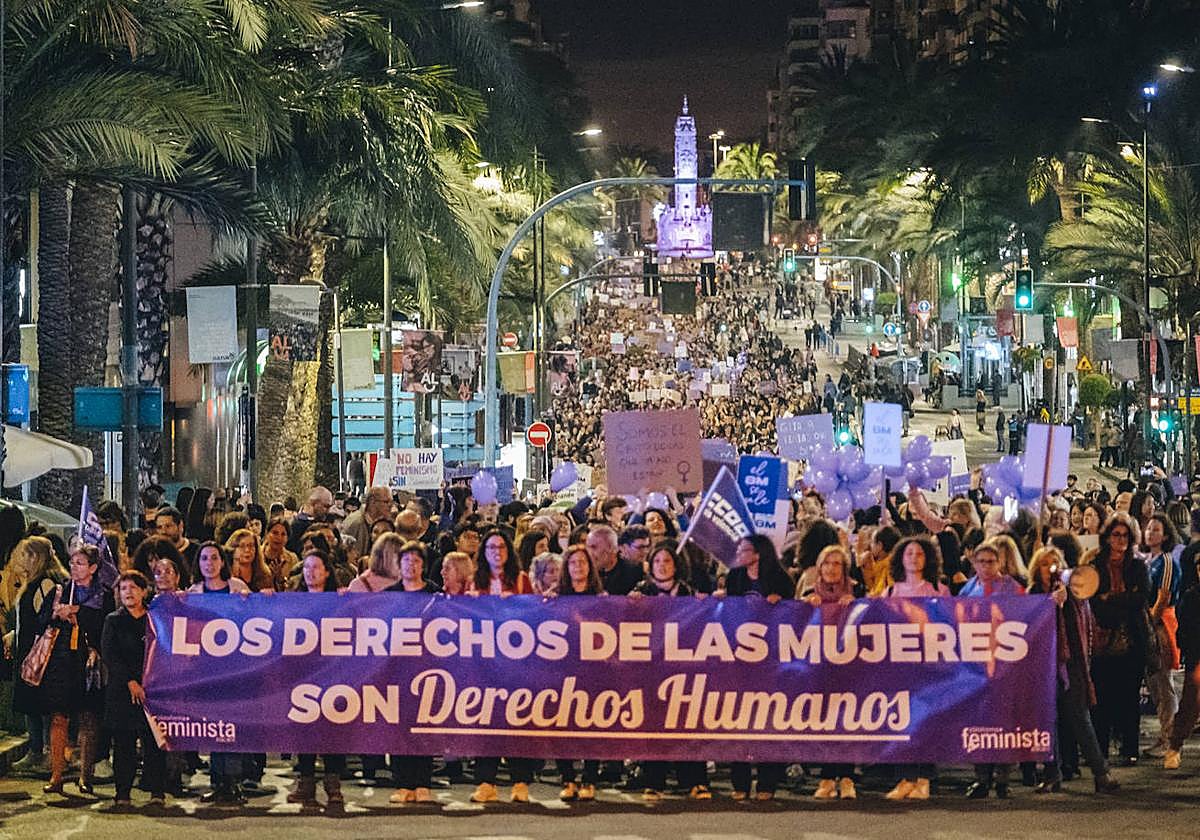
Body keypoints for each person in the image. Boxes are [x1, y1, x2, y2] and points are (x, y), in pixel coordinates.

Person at [1026, 546, 1121, 794]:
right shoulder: (1032, 594)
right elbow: (1028, 626)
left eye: (1055, 563)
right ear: (1037, 570)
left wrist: (1064, 601)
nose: (1051, 568)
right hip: (1042, 667)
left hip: (1070, 666)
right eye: (1045, 564)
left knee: (1080, 719)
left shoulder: (1074, 593)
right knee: (1047, 721)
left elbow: (1081, 621)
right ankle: (1051, 774)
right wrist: (1048, 605)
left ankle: (1101, 774)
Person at [39, 543, 116, 796]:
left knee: (88, 719)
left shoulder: (103, 595)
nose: (74, 567)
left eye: (80, 563)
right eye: (72, 562)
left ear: (93, 568)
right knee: (59, 717)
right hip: (61, 661)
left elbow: (105, 626)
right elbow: (42, 623)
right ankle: (56, 774)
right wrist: (58, 615)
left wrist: (78, 613)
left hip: (88, 662)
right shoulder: (61, 590)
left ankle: (86, 775)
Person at [721, 534, 793, 801]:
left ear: (759, 553)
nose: (740, 553)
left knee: (768, 722)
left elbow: (794, 615)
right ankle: (739, 782)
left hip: (771, 660)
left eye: (745, 549)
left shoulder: (780, 579)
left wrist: (780, 603)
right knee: (738, 721)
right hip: (739, 659)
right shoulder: (735, 577)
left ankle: (767, 782)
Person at [470, 529, 535, 803]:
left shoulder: (521, 580)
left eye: (501, 547)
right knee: (487, 725)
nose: (497, 552)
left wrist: (519, 605)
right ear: (484, 554)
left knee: (518, 724)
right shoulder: (476, 582)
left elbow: (536, 615)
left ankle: (520, 782)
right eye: (491, 548)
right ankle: (487, 781)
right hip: (485, 665)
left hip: (516, 665)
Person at [883, 535, 947, 800]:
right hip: (900, 668)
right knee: (903, 722)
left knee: (927, 723)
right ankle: (905, 777)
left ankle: (924, 778)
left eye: (919, 554)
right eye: (909, 553)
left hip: (929, 667)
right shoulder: (890, 591)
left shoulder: (938, 591)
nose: (913, 558)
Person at [959, 539, 1024, 798]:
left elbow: (1027, 615)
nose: (986, 566)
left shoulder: (1012, 587)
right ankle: (981, 777)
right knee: (979, 721)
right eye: (981, 561)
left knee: (1004, 721)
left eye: (991, 561)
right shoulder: (967, 589)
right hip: (976, 667)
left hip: (1004, 665)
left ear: (999, 562)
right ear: (974, 563)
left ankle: (1003, 778)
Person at [284, 549, 347, 812]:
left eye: (316, 567)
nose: (310, 572)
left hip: (334, 674)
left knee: (333, 731)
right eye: (306, 567)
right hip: (304, 674)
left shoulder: (341, 601)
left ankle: (333, 787)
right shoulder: (293, 602)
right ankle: (306, 783)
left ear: (327, 571)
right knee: (306, 729)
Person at [187, 542, 249, 804]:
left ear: (222, 561)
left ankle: (233, 781)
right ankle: (217, 781)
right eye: (204, 558)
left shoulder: (238, 589)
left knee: (231, 725)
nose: (209, 563)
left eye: (214, 557)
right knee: (213, 726)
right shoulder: (193, 593)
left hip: (234, 668)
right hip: (205, 670)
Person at [1090, 512, 1152, 767]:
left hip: (1131, 641)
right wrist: (1121, 599)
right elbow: (1093, 600)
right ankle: (1100, 749)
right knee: (1101, 699)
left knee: (1128, 698)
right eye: (1116, 534)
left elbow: (1141, 598)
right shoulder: (1095, 565)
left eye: (1125, 535)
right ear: (1107, 537)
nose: (1121, 539)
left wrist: (1112, 598)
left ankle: (1130, 748)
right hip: (1102, 640)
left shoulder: (1137, 566)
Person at [103, 570, 168, 808]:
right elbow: (111, 655)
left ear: (144, 591)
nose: (128, 593)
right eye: (123, 589)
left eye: (133, 588)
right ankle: (122, 794)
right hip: (122, 692)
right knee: (124, 744)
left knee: (154, 743)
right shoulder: (114, 620)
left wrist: (149, 682)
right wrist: (130, 681)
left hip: (153, 690)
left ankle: (157, 792)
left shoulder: (155, 618)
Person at [3, 537, 66, 776]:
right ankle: (36, 750)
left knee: (40, 704)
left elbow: (44, 620)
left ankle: (45, 753)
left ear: (35, 557)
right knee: (31, 704)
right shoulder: (33, 581)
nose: (20, 559)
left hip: (38, 656)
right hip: (28, 651)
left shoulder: (45, 582)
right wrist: (14, 634)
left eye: (24, 554)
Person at [803, 545, 859, 800]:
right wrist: (805, 609)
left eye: (837, 564)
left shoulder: (857, 591)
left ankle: (846, 777)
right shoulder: (809, 593)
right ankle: (826, 777)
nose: (831, 568)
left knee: (847, 722)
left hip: (850, 667)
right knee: (824, 722)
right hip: (819, 668)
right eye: (826, 563)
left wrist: (857, 607)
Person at [385, 542, 438, 804]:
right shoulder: (389, 595)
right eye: (406, 561)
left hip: (428, 671)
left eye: (416, 561)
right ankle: (403, 783)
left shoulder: (435, 594)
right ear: (399, 565)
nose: (411, 565)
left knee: (425, 727)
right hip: (397, 672)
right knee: (400, 729)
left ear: (423, 565)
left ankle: (423, 782)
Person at [555, 544, 604, 801]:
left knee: (591, 726)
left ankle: (589, 778)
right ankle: (568, 779)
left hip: (593, 671)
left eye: (583, 563)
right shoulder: (556, 599)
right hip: (563, 670)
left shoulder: (602, 599)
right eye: (573, 563)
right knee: (563, 726)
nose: (578, 567)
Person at [1143, 512, 1182, 758]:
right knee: (1154, 685)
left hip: (1160, 626)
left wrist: (1149, 624)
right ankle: (1165, 734)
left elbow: (1163, 597)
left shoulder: (1166, 561)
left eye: (1156, 529)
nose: (1150, 533)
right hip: (1148, 623)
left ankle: (1171, 738)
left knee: (1163, 683)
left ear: (1166, 535)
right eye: (1148, 529)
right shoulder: (1149, 560)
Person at [226, 528, 274, 592]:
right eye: (242, 546)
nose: (247, 550)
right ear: (233, 549)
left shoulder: (265, 575)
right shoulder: (225, 576)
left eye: (251, 545)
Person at [262, 517, 299, 592]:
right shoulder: (256, 554)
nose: (279, 537)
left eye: (283, 534)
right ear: (267, 534)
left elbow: (294, 588)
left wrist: (280, 578)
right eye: (275, 533)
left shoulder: (292, 559)